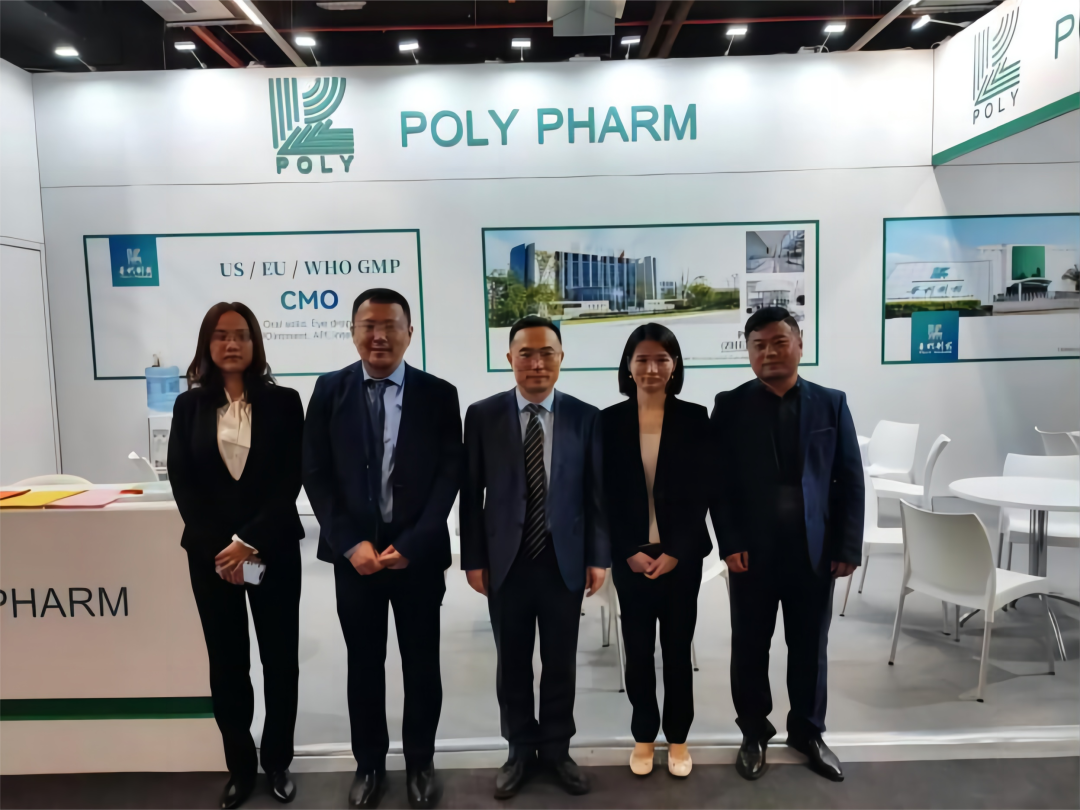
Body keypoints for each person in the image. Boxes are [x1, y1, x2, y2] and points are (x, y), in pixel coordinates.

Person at [303, 289, 461, 810]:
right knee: (364, 665)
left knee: (422, 665)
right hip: (356, 561)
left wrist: (413, 543)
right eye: (368, 325)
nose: (379, 335)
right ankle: (369, 764)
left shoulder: (439, 394)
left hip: (417, 559)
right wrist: (350, 544)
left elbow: (448, 475)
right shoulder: (329, 390)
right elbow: (315, 473)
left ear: (409, 333)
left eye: (390, 325)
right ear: (353, 331)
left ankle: (420, 763)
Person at [709, 307, 863, 783]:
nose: (769, 352)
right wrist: (729, 542)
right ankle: (753, 732)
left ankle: (808, 732)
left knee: (810, 646)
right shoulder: (730, 405)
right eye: (758, 345)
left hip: (813, 550)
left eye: (779, 342)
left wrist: (847, 546)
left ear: (799, 344)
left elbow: (849, 478)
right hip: (752, 552)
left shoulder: (830, 403)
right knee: (749, 645)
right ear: (748, 352)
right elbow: (719, 482)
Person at [460, 315, 610, 800]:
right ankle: (520, 750)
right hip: (506, 561)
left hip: (563, 560)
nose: (537, 363)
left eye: (547, 353)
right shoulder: (482, 415)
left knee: (561, 661)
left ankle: (558, 749)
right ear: (510, 359)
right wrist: (473, 558)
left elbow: (596, 496)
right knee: (513, 663)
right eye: (526, 353)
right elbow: (470, 494)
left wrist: (598, 556)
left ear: (561, 358)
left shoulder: (586, 417)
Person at [168, 302, 304, 810]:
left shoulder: (285, 402)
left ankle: (278, 761)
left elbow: (291, 477)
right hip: (211, 558)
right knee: (227, 663)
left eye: (242, 335)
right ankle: (240, 767)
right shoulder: (188, 407)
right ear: (207, 343)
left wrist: (248, 540)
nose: (232, 344)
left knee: (279, 661)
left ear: (255, 343)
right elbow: (183, 480)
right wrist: (221, 550)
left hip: (272, 552)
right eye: (222, 335)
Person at [599, 324, 711, 779]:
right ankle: (644, 736)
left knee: (678, 651)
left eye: (661, 359)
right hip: (632, 558)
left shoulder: (696, 418)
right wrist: (626, 550)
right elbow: (602, 495)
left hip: (680, 559)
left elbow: (703, 491)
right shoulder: (608, 421)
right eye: (642, 359)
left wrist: (678, 550)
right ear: (628, 366)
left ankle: (678, 738)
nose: (651, 368)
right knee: (639, 652)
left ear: (674, 365)